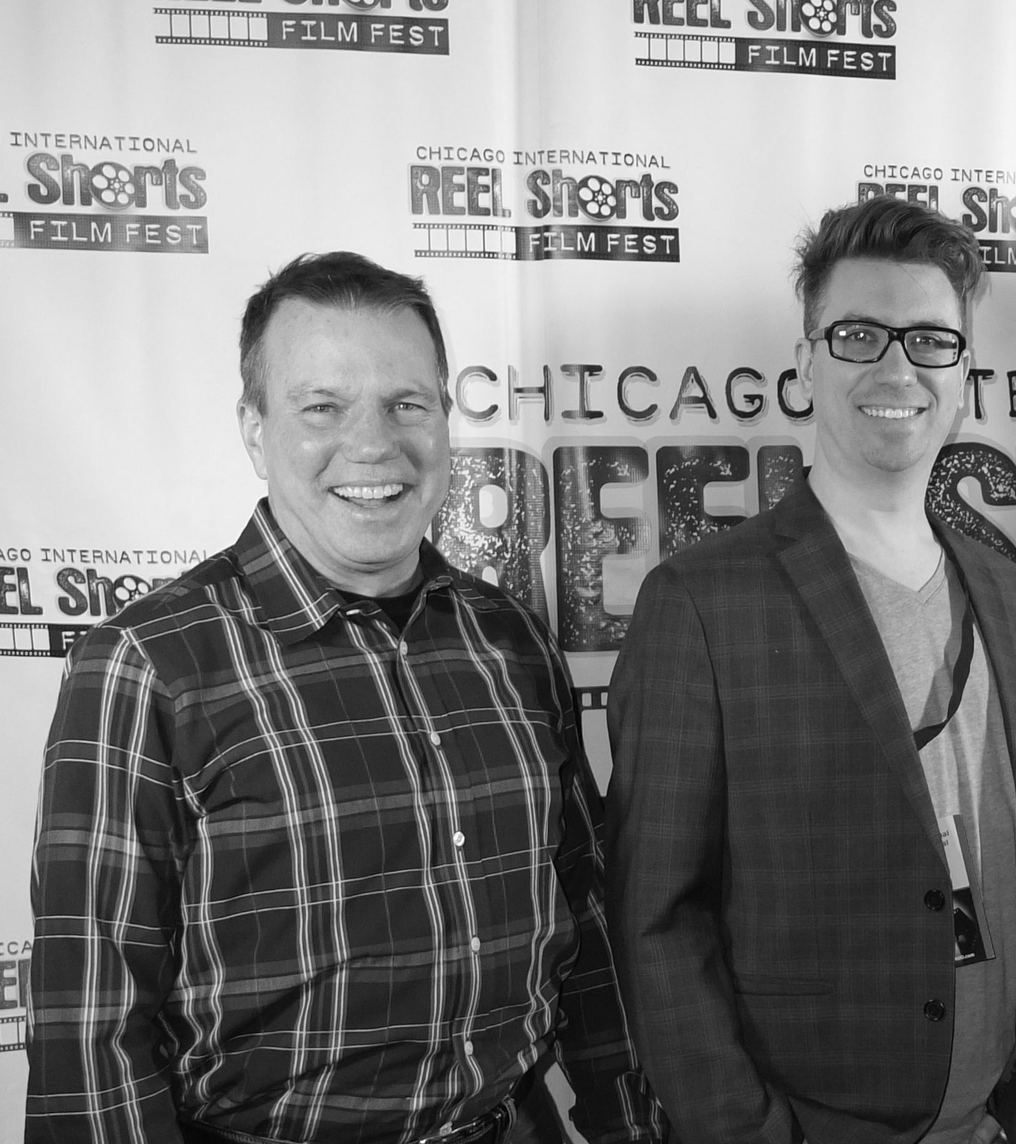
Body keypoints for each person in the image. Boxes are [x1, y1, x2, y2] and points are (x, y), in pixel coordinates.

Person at [28, 252, 661, 1144]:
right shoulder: (147, 664)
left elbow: (587, 922)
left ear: (444, 418)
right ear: (254, 429)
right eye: (322, 407)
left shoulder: (508, 638)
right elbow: (92, 1025)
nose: (374, 445)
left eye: (408, 404)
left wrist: (628, 1124)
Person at [604, 196, 1016, 1144]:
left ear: (964, 372)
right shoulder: (702, 602)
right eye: (860, 333)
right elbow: (654, 916)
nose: (896, 366)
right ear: (807, 363)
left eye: (930, 340)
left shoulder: (1010, 593)